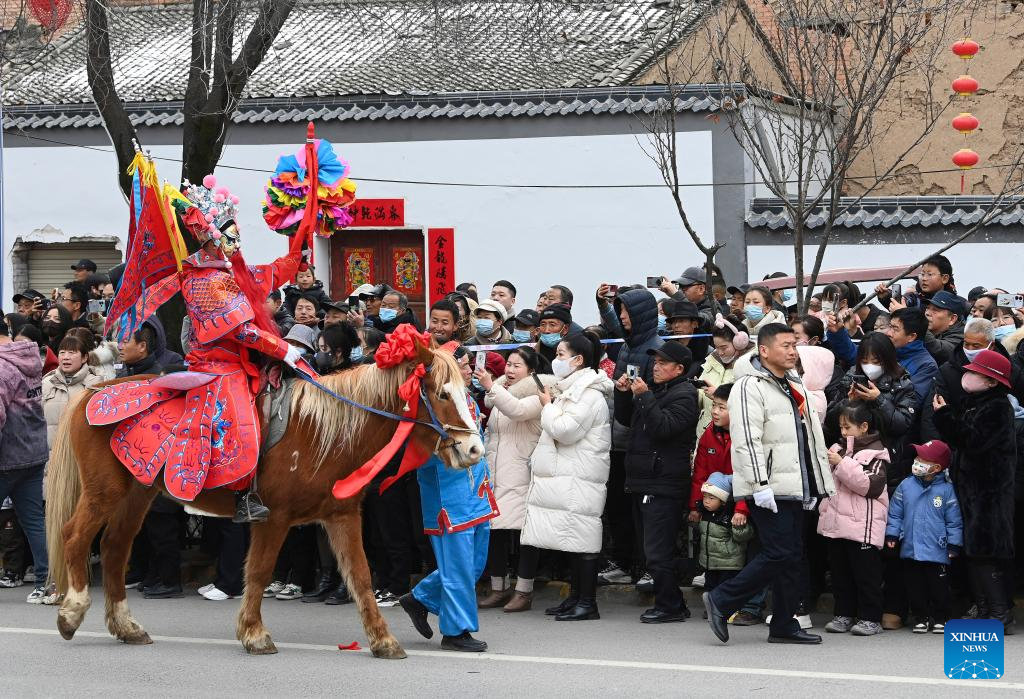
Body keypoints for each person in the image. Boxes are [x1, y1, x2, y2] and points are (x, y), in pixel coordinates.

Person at [95, 173, 307, 524]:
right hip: (217, 366)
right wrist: (282, 349)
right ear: (210, 239)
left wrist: (297, 253)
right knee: (242, 420)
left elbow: (267, 276)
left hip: (240, 361)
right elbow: (241, 330)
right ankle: (241, 492)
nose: (235, 240)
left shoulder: (227, 269)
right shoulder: (202, 281)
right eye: (228, 234)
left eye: (235, 232)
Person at [703, 323, 835, 645]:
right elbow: (748, 439)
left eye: (794, 345)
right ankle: (721, 600)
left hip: (795, 483)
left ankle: (784, 623)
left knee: (792, 555)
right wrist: (759, 485)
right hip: (769, 484)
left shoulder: (793, 382)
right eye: (785, 345)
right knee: (778, 553)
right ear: (764, 350)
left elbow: (809, 436)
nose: (792, 351)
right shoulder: (749, 386)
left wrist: (816, 484)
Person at [399, 349, 497, 653]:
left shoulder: (464, 399)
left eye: (468, 366)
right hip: (448, 497)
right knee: (458, 569)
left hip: (477, 492)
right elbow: (421, 454)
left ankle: (421, 597)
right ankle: (456, 631)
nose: (468, 371)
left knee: (475, 565)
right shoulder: (429, 407)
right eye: (463, 367)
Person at [521, 331, 613, 621]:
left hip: (580, 474)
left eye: (561, 355)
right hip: (570, 473)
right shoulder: (573, 389)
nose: (556, 360)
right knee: (572, 538)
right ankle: (575, 598)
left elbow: (565, 430)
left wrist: (547, 406)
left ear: (578, 360)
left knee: (582, 539)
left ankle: (587, 602)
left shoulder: (588, 393)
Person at [931, 349, 1016, 632]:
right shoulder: (975, 403)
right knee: (974, 549)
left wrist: (944, 415)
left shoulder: (996, 407)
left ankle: (999, 612)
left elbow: (971, 439)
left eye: (976, 372)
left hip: (988, 491)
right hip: (973, 488)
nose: (968, 375)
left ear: (992, 381)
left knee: (984, 551)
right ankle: (985, 609)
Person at [615, 340, 698, 623]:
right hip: (644, 480)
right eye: (656, 362)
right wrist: (626, 394)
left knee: (657, 550)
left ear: (679, 369)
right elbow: (626, 420)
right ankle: (673, 602)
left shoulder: (685, 394)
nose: (657, 367)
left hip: (663, 483)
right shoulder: (655, 389)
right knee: (650, 549)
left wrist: (645, 397)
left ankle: (670, 605)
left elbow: (664, 429)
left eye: (663, 363)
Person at [475, 346, 555, 612]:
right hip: (497, 472)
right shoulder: (500, 392)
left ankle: (524, 591)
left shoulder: (538, 393)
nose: (509, 370)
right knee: (495, 530)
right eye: (508, 364)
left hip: (523, 472)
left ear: (531, 371)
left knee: (525, 535)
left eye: (517, 365)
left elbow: (518, 411)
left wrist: (491, 386)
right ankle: (499, 588)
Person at [818, 402, 889, 636]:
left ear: (864, 427)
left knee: (866, 576)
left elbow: (870, 486)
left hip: (863, 527)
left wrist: (842, 463)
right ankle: (843, 614)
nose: (843, 432)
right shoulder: (838, 448)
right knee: (840, 574)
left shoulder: (878, 454)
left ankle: (870, 618)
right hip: (836, 523)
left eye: (848, 427)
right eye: (841, 427)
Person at [884, 440, 962, 634]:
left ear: (936, 467)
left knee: (939, 587)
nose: (916, 461)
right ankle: (921, 616)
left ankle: (941, 617)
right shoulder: (906, 485)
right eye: (917, 457)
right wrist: (892, 533)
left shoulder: (946, 490)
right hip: (911, 548)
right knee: (915, 586)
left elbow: (954, 521)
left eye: (922, 459)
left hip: (938, 549)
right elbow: (895, 513)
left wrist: (954, 544)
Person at [0, 330, 53, 604]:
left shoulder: (2, 367)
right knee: (33, 520)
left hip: (7, 457)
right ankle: (46, 581)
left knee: (32, 520)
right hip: (33, 452)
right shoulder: (29, 358)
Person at [697, 472, 754, 604]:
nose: (706, 501)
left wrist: (738, 527)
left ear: (722, 501)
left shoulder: (730, 515)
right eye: (705, 496)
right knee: (710, 585)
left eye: (711, 498)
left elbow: (744, 536)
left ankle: (723, 607)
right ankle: (711, 606)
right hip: (710, 562)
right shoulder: (704, 514)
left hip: (729, 563)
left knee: (725, 586)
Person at [42, 333, 104, 447]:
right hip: (50, 456)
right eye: (62, 353)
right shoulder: (47, 382)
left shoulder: (95, 384)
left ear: (84, 357)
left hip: (80, 455)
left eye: (72, 353)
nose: (66, 357)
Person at [694, 315, 751, 438]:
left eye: (724, 347)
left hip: (732, 436)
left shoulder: (752, 367)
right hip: (705, 433)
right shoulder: (711, 360)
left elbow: (749, 404)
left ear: (740, 343)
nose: (720, 352)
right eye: (716, 347)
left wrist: (718, 395)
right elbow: (700, 399)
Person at [884, 308, 938, 406]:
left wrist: (878, 397)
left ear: (912, 336)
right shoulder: (886, 349)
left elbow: (911, 401)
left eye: (895, 329)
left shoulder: (927, 366)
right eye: (890, 327)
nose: (888, 333)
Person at [877, 254, 956, 310]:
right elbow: (902, 303)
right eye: (922, 274)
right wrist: (885, 296)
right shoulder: (914, 299)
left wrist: (904, 314)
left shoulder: (955, 304)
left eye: (929, 274)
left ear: (944, 278)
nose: (924, 278)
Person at [662, 299, 710, 369]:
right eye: (674, 322)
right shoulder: (665, 347)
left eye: (681, 321)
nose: (676, 325)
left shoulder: (707, 353)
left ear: (694, 324)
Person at [921, 290, 966, 365]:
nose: (927, 313)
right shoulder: (930, 330)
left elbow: (940, 350)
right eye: (927, 308)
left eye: (935, 310)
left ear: (952, 319)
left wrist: (918, 324)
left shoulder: (962, 336)